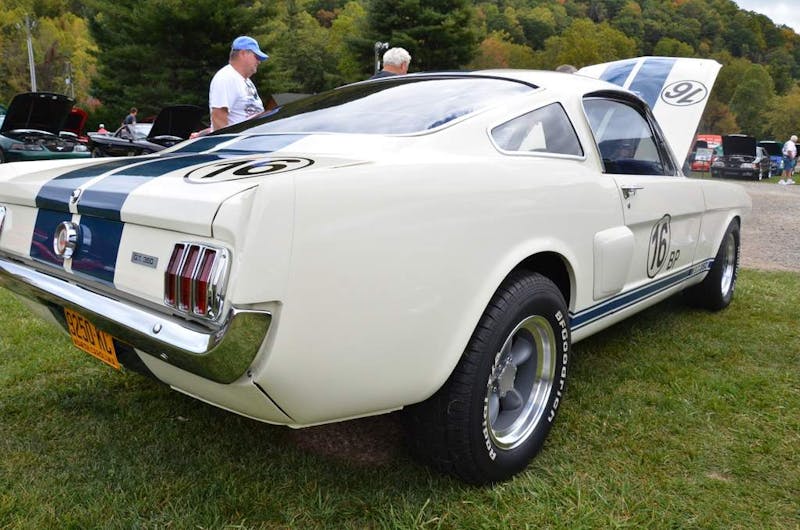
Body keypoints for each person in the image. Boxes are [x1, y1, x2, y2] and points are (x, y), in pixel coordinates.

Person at [209, 35, 268, 131]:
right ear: (243, 53)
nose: (259, 61)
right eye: (256, 56)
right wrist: (226, 143)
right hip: (240, 143)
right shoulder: (226, 77)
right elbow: (218, 117)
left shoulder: (245, 80)